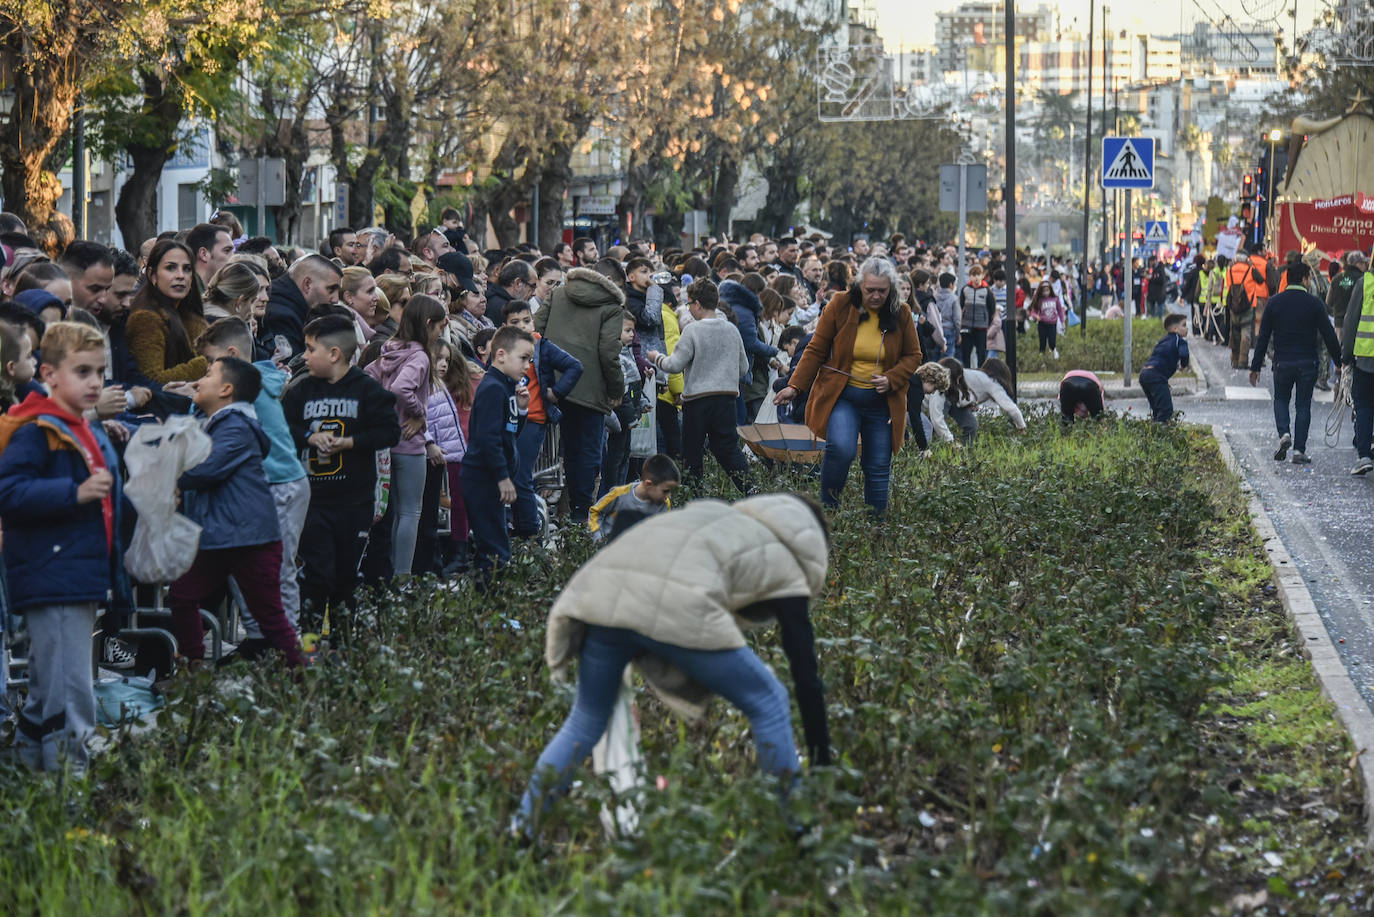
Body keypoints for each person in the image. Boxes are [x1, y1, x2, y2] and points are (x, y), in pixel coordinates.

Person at [515, 493, 832, 835]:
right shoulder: (785, 560)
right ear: (814, 544)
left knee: (586, 720)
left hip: (599, 594)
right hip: (669, 603)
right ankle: (800, 830)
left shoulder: (718, 516)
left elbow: (629, 531)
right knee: (768, 700)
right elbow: (805, 673)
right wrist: (822, 762)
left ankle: (523, 828)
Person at [0, 322, 131, 774]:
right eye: (83, 372)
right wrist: (72, 494)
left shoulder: (77, 425)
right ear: (51, 373)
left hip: (72, 573)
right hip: (54, 575)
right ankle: (68, 792)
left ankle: (30, 777)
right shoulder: (38, 430)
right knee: (69, 691)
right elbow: (9, 492)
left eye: (101, 372)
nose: (96, 382)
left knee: (49, 690)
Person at [167, 358, 304, 669]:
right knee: (182, 594)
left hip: (250, 539)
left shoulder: (236, 426)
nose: (200, 380)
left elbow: (208, 468)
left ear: (226, 390)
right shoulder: (219, 422)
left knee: (270, 618)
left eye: (208, 374)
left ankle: (303, 679)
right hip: (222, 536)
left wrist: (172, 479)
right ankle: (193, 668)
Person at [281, 315, 400, 637]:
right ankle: (306, 643)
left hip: (354, 499)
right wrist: (308, 436)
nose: (304, 356)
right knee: (316, 573)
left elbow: (389, 431)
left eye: (310, 349)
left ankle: (342, 647)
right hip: (313, 501)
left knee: (346, 576)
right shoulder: (300, 391)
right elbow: (281, 428)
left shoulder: (366, 390)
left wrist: (350, 442)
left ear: (334, 353)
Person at [775, 257, 922, 515]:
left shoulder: (902, 312)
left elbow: (914, 356)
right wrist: (794, 386)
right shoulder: (840, 305)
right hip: (844, 396)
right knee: (841, 449)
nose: (876, 296)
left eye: (882, 291)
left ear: (891, 290)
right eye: (870, 290)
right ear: (859, 286)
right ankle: (828, 512)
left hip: (882, 402)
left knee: (877, 466)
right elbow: (816, 349)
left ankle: (877, 529)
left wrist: (893, 377)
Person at [198, 319, 310, 647]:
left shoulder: (247, 388)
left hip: (280, 485)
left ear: (231, 355)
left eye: (209, 364)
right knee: (253, 567)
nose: (204, 373)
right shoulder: (259, 379)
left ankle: (284, 643)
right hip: (272, 486)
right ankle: (263, 639)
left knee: (278, 569)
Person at [535, 263, 626, 522]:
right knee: (586, 454)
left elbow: (535, 330)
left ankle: (548, 515)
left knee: (554, 452)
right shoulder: (611, 306)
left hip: (552, 385)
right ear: (608, 280)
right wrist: (616, 389)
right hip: (589, 390)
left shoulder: (559, 292)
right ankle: (580, 515)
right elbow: (609, 353)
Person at [366, 295, 447, 576]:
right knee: (410, 512)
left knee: (391, 515)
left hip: (388, 439)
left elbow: (369, 376)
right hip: (410, 441)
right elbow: (401, 389)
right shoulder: (420, 355)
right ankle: (402, 579)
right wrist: (419, 412)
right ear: (428, 324)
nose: (440, 333)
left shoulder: (390, 348)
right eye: (439, 327)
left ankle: (389, 574)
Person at [646, 279, 751, 493]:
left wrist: (656, 357)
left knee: (692, 451)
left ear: (698, 304)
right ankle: (750, 488)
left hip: (698, 400)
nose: (689, 309)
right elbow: (743, 367)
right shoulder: (731, 329)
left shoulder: (693, 331)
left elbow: (674, 365)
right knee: (728, 448)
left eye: (689, 304)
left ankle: (693, 494)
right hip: (727, 398)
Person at [501, 299, 582, 538]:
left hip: (534, 419)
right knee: (510, 475)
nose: (523, 326)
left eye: (527, 320)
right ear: (504, 325)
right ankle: (517, 525)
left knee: (521, 475)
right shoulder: (502, 348)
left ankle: (529, 530)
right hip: (508, 419)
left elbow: (574, 366)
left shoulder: (541, 345)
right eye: (515, 322)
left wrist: (556, 393)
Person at [1249, 261, 1342, 465]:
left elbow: (1263, 337)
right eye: (1309, 278)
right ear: (1304, 279)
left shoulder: (1274, 303)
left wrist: (1255, 366)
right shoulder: (1314, 303)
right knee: (1303, 405)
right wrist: (1340, 362)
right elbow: (1329, 335)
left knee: (1281, 400)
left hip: (1282, 362)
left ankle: (1284, 433)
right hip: (1308, 363)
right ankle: (1299, 450)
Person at [461, 325, 534, 578]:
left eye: (530, 360)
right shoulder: (492, 387)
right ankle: (487, 609)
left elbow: (508, 433)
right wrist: (502, 477)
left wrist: (522, 410)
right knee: (494, 552)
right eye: (523, 358)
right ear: (500, 355)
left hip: (492, 478)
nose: (527, 366)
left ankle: (489, 607)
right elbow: (488, 439)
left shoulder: (506, 387)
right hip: (483, 478)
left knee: (496, 546)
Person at [125, 239, 209, 383]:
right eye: (171, 268)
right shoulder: (146, 319)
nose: (180, 275)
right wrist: (205, 364)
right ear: (152, 275)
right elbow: (153, 380)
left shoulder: (189, 316)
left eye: (187, 269)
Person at [260, 254, 343, 359]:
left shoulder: (288, 306)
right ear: (307, 284)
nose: (335, 299)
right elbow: (291, 366)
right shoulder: (282, 316)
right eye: (331, 289)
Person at [926, 357, 1026, 444]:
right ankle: (930, 448)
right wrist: (1022, 428)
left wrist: (968, 403)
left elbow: (964, 391)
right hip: (947, 396)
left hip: (955, 400)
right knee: (935, 424)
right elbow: (1011, 408)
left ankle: (964, 452)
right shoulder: (992, 383)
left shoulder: (977, 375)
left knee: (971, 424)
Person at [587, 452, 679, 543]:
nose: (668, 496)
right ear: (648, 484)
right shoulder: (619, 495)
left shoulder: (664, 504)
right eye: (665, 491)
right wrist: (598, 537)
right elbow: (595, 511)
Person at [1340, 251, 1374, 475]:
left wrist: (1346, 356)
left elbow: (1351, 321)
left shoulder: (1365, 284)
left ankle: (1363, 455)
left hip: (1365, 357)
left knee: (1363, 405)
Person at [1138, 314, 1190, 424]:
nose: (1187, 328)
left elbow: (1159, 356)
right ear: (1176, 329)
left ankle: (1154, 431)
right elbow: (1184, 354)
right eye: (1184, 325)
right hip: (1156, 376)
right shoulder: (1179, 340)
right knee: (1166, 410)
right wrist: (1184, 365)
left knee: (1158, 409)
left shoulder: (1163, 340)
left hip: (1144, 374)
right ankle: (1160, 434)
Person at [957, 264, 994, 368]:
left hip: (981, 326)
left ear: (982, 276)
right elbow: (961, 305)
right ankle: (966, 371)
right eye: (973, 275)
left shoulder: (987, 291)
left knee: (981, 351)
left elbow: (992, 309)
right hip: (966, 325)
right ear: (970, 277)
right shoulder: (965, 289)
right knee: (966, 351)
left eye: (978, 275)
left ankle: (981, 370)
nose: (976, 278)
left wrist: (987, 322)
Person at [1027, 278, 1066, 357]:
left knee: (1052, 342)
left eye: (1047, 290)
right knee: (1042, 341)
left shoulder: (1055, 299)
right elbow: (1033, 311)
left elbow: (1060, 311)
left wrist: (1062, 322)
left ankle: (1053, 354)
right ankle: (1042, 356)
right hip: (1042, 323)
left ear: (1050, 290)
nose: (1045, 293)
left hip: (1052, 323)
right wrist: (1036, 316)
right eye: (1043, 291)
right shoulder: (1039, 300)